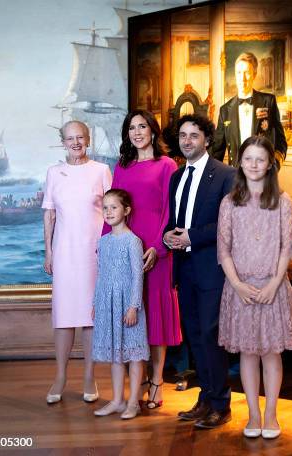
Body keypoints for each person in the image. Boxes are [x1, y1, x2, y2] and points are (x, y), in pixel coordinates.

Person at [217, 136, 292, 439]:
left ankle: (271, 415)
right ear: (240, 162)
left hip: (272, 287)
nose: (254, 164)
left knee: (271, 353)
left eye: (260, 159)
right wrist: (237, 284)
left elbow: (285, 248)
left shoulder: (282, 200)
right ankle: (252, 415)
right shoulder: (229, 202)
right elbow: (223, 249)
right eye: (248, 158)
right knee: (248, 354)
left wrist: (274, 285)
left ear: (270, 165)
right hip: (241, 289)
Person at [105, 110, 182, 410]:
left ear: (153, 130)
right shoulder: (121, 166)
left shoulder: (167, 165)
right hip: (125, 249)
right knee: (129, 315)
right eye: (131, 128)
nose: (137, 132)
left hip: (155, 251)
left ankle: (157, 381)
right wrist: (106, 247)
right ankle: (132, 387)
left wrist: (158, 248)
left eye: (142, 126)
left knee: (156, 314)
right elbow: (113, 205)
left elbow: (169, 210)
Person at [163, 114, 236, 429]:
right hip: (184, 267)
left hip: (212, 269)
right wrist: (168, 235)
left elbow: (228, 225)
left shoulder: (225, 175)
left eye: (194, 135)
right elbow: (174, 220)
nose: (187, 140)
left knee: (211, 335)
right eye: (183, 135)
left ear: (206, 139)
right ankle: (205, 398)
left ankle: (221, 403)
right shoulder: (177, 177)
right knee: (194, 335)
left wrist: (192, 235)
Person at [42, 120, 112, 404]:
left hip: (93, 253)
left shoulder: (101, 171)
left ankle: (89, 375)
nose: (75, 142)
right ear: (63, 142)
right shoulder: (54, 173)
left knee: (89, 317)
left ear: (88, 139)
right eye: (70, 138)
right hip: (64, 252)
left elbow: (112, 211)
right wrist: (48, 251)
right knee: (63, 316)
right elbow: (49, 215)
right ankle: (60, 376)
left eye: (80, 137)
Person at [92, 189, 150, 420]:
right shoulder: (103, 241)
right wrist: (95, 302)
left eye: (113, 207)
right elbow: (100, 273)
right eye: (105, 207)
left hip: (128, 305)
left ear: (126, 211)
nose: (108, 212)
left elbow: (138, 275)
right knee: (116, 354)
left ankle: (133, 402)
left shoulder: (133, 241)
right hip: (108, 305)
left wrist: (134, 306)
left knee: (134, 355)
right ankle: (117, 400)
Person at [211, 52, 287, 168]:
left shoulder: (268, 102)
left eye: (247, 73)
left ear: (254, 74)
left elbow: (280, 141)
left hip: (263, 176)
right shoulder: (225, 110)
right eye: (239, 72)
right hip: (235, 177)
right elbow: (217, 151)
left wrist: (274, 166)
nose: (242, 78)